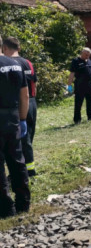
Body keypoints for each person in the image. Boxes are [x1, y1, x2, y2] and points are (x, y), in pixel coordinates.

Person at [0, 35, 31, 219]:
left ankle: (5, 208)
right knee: (17, 159)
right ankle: (23, 203)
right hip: (13, 116)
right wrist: (22, 119)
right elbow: (25, 95)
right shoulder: (16, 64)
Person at [2, 37, 38, 177]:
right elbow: (34, 83)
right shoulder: (28, 63)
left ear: (4, 48)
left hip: (18, 105)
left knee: (20, 140)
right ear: (19, 48)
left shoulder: (9, 64)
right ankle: (29, 167)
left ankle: (25, 171)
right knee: (29, 136)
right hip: (32, 103)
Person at [67, 48, 91, 124]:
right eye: (86, 54)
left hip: (90, 85)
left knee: (90, 102)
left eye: (89, 55)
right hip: (80, 85)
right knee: (78, 103)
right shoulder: (75, 61)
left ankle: (90, 116)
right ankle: (77, 119)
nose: (87, 56)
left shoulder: (89, 61)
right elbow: (72, 73)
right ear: (82, 53)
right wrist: (69, 85)